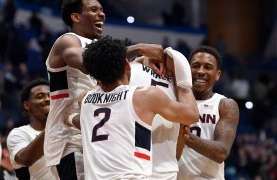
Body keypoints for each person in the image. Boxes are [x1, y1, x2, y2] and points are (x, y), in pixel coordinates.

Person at [44, 0, 164, 179]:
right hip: (71, 139)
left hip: (98, 137)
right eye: (93, 10)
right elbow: (91, 63)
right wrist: (139, 49)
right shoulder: (68, 40)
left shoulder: (100, 47)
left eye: (102, 10)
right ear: (76, 17)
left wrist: (139, 62)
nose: (102, 14)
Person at [77, 35, 198, 179]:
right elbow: (191, 114)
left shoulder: (85, 100)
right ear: (127, 65)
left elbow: (99, 80)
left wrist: (138, 60)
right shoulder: (143, 96)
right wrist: (183, 85)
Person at [177, 46, 240, 179]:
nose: (200, 71)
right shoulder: (173, 100)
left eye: (207, 67)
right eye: (195, 66)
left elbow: (221, 152)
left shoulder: (225, 105)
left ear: (217, 75)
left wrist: (185, 136)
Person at [7, 78, 55, 179]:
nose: (47, 99)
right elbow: (24, 159)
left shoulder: (66, 128)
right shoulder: (20, 133)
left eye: (50, 95)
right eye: (40, 96)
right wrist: (53, 125)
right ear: (26, 105)